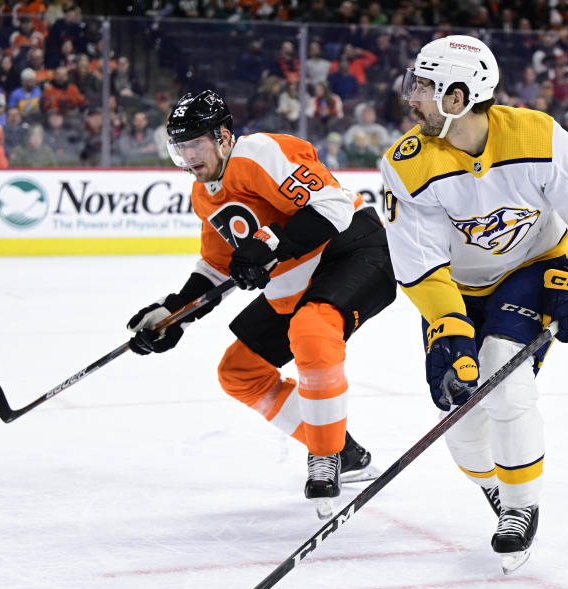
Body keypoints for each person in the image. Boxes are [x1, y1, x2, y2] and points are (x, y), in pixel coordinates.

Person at [380, 35, 568, 573]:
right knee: (461, 414)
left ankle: (521, 506)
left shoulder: (535, 135)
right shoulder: (406, 164)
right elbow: (419, 263)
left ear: (459, 96)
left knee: (503, 378)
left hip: (530, 268)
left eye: (424, 87)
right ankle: (499, 490)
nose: (411, 98)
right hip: (454, 290)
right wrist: (449, 328)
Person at [127, 90, 395, 518]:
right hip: (296, 278)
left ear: (224, 136)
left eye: (196, 143)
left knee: (312, 331)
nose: (189, 155)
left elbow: (332, 206)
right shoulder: (204, 195)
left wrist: (269, 244)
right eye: (181, 147)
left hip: (351, 251)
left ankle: (324, 455)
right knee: (239, 372)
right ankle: (343, 452)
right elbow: (219, 268)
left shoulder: (258, 153)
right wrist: (176, 314)